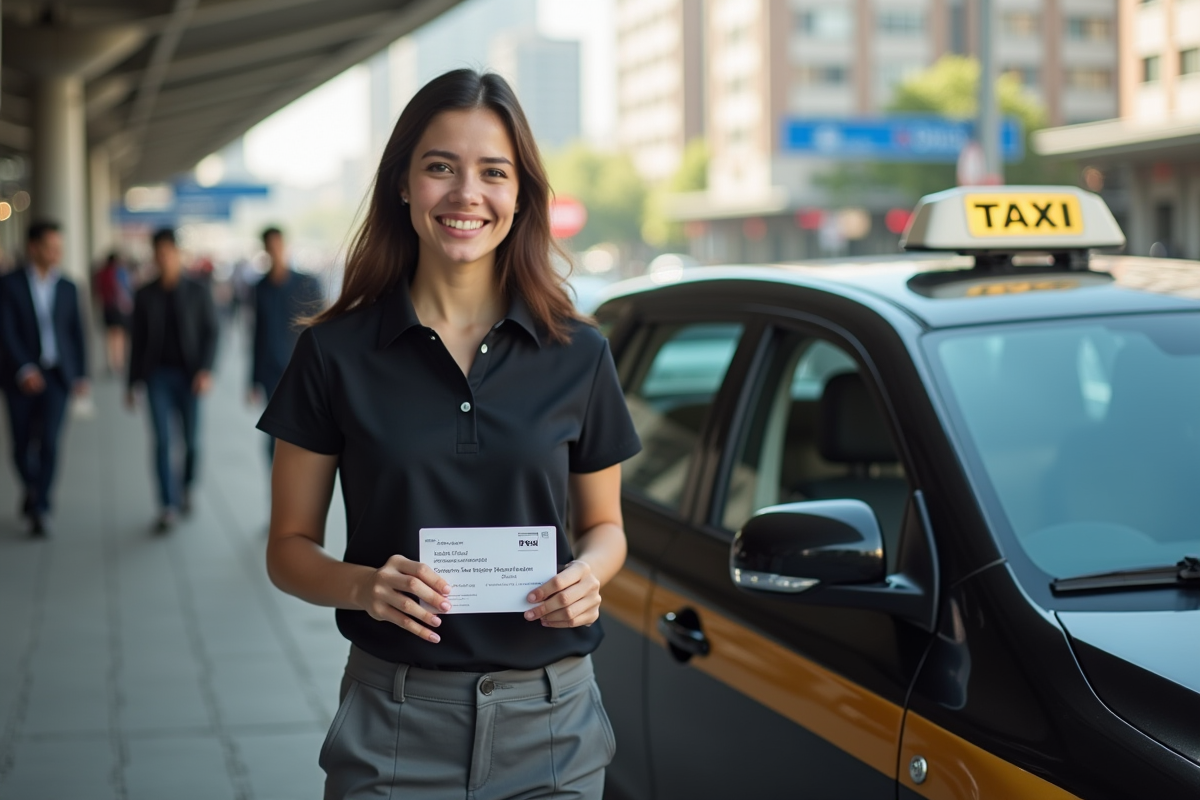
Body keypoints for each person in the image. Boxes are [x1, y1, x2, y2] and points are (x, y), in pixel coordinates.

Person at [257, 69, 642, 800]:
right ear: (403, 185)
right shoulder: (333, 353)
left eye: (493, 172)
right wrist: (364, 586)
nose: (467, 194)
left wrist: (589, 575)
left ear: (521, 195)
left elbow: (607, 528)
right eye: (441, 167)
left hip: (553, 729)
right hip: (394, 726)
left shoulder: (579, 353)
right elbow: (288, 549)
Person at [0, 221, 89, 537]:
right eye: (50, 248)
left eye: (59, 248)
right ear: (33, 247)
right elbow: (5, 331)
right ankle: (33, 487)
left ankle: (41, 507)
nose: (56, 254)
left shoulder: (68, 287)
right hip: (19, 378)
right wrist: (24, 368)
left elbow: (77, 333)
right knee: (21, 445)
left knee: (49, 442)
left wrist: (81, 374)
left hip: (57, 376)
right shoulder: (8, 284)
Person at [127, 228, 218, 533]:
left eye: (169, 253)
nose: (164, 259)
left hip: (190, 377)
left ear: (178, 254)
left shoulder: (198, 290)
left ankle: (186, 486)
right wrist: (131, 383)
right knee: (163, 442)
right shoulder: (144, 294)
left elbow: (212, 332)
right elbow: (137, 342)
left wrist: (206, 370)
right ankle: (167, 504)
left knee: (191, 442)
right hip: (157, 377)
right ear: (154, 256)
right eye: (159, 254)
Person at [248, 227, 323, 460]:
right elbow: (257, 333)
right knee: (274, 432)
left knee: (303, 429)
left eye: (278, 245)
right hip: (271, 369)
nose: (275, 251)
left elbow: (321, 327)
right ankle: (275, 477)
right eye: (270, 247)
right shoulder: (260, 288)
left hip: (300, 367)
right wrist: (253, 379)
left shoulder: (307, 283)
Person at [94, 251, 134, 374]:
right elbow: (125, 289)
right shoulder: (119, 272)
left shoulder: (101, 273)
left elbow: (97, 291)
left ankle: (111, 362)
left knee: (110, 336)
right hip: (119, 309)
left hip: (107, 308)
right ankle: (119, 362)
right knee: (120, 335)